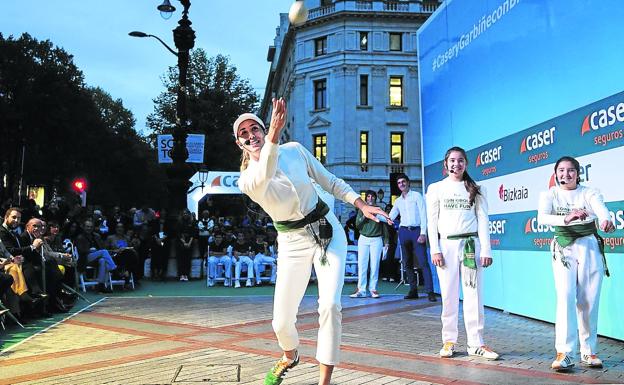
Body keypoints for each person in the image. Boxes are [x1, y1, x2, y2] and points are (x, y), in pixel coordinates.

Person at [234, 98, 391, 385]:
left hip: (326, 229)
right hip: (291, 241)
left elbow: (329, 180)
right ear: (240, 144)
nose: (251, 135)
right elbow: (265, 174)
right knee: (281, 322)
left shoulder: (294, 150)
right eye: (243, 133)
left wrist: (360, 204)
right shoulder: (246, 179)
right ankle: (290, 355)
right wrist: (271, 136)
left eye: (254, 128)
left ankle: (324, 381)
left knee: (330, 305)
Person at [537, 156, 615, 371]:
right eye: (561, 170)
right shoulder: (549, 194)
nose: (566, 174)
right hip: (563, 246)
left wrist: (606, 220)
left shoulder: (588, 192)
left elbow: (600, 209)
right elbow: (543, 217)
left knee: (589, 299)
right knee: (565, 296)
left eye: (571, 170)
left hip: (588, 245)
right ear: (555, 174)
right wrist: (567, 218)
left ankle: (589, 351)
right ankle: (564, 352)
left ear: (578, 173)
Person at [426, 146, 499, 360]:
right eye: (452, 160)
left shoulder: (477, 188)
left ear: (466, 164)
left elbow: (484, 219)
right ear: (445, 164)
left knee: (474, 295)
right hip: (446, 246)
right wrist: (435, 249)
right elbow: (432, 222)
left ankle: (476, 343)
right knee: (448, 295)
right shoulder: (436, 188)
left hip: (470, 245)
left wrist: (486, 248)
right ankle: (448, 341)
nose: (456, 164)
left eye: (460, 161)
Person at [389, 174, 436, 301]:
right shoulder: (398, 201)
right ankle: (413, 290)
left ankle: (430, 291)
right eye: (399, 183)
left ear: (408, 183)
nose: (401, 184)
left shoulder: (417, 196)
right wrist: (377, 215)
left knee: (423, 262)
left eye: (403, 182)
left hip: (416, 231)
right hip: (404, 232)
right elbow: (391, 216)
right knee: (407, 262)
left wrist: (423, 233)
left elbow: (423, 214)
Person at [350, 190, 389, 298]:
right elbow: (357, 225)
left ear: (375, 198)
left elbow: (385, 225)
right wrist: (365, 216)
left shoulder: (379, 210)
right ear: (366, 198)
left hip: (376, 239)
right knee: (362, 265)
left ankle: (373, 289)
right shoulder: (362, 209)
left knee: (374, 265)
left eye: (372, 197)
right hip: (363, 238)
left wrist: (386, 242)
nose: (370, 198)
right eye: (368, 197)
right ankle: (361, 290)